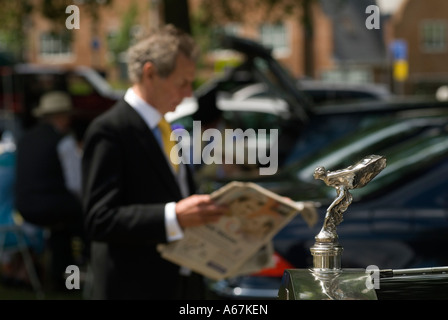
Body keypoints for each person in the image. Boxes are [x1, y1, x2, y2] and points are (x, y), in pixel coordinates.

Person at [82, 25, 227, 300]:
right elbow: (98, 218)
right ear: (150, 73)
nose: (188, 95)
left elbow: (176, 193)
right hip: (135, 286)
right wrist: (173, 216)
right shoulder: (110, 130)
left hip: (182, 282)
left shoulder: (166, 128)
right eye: (182, 83)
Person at [14, 91, 86, 290]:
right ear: (61, 116)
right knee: (84, 226)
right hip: (54, 205)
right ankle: (75, 279)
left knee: (61, 229)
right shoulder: (63, 141)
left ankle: (61, 279)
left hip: (25, 206)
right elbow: (75, 184)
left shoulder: (25, 139)